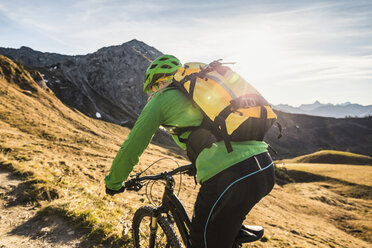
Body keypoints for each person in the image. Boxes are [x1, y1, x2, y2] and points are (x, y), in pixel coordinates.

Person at [105, 54, 275, 248]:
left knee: (199, 242)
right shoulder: (202, 90)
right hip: (263, 166)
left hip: (231, 176)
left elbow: (133, 145)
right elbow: (214, 131)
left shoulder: (162, 98)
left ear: (160, 81)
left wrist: (114, 182)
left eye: (152, 87)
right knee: (221, 235)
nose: (151, 93)